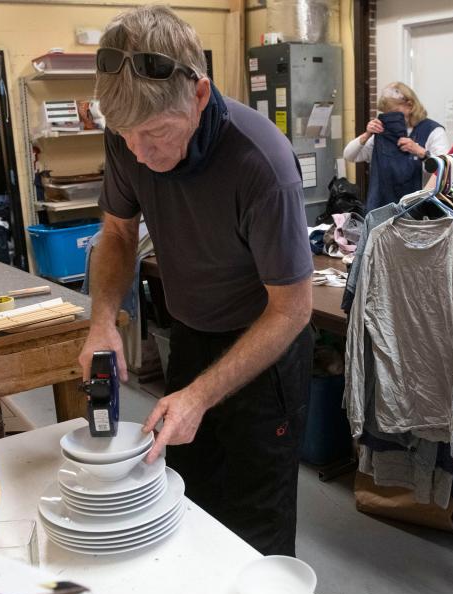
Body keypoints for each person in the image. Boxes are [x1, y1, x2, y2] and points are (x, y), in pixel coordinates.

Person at [81, 6, 314, 557]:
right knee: (185, 501)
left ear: (200, 95)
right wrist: (101, 324)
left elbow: (292, 311)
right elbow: (116, 232)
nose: (139, 153)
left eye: (156, 134)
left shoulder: (262, 165)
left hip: (264, 352)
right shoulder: (129, 139)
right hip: (190, 338)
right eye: (125, 136)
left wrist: (201, 395)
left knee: (256, 531)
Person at [343, 83, 448, 210]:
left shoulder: (433, 131)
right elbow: (349, 155)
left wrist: (420, 152)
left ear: (410, 106)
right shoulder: (383, 132)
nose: (390, 118)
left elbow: (444, 169)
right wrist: (367, 135)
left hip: (420, 207)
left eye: (394, 113)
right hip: (385, 206)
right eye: (386, 114)